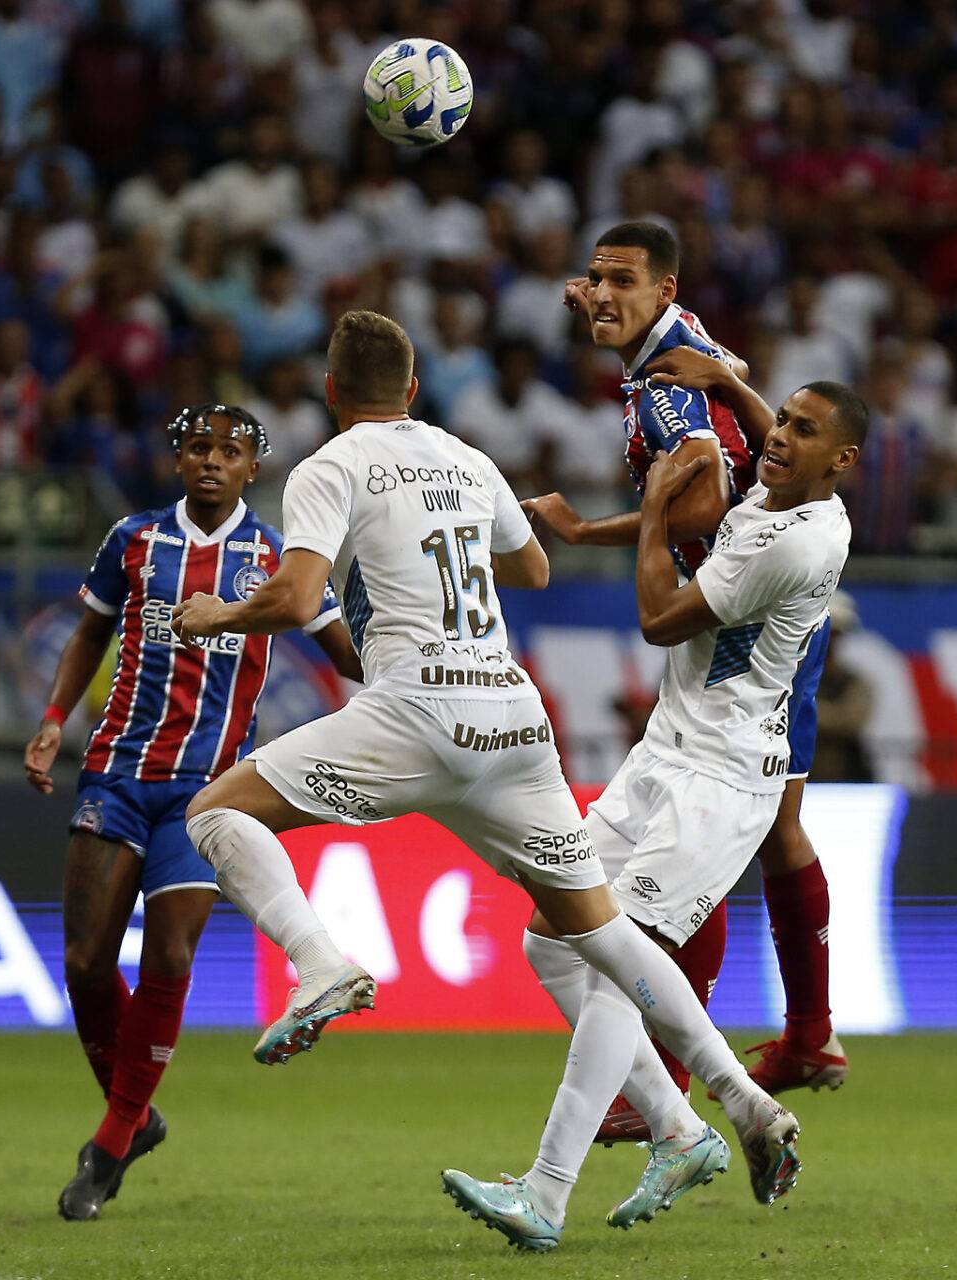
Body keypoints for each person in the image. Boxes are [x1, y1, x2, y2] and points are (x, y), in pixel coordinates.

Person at [172, 311, 803, 1247]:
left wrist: (214, 612)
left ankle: (321, 966)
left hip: (415, 714)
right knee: (599, 933)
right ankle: (723, 1114)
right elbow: (533, 568)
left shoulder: (329, 467)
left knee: (217, 812)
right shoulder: (467, 459)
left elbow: (299, 598)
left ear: (334, 394)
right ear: (416, 390)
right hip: (510, 716)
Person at [446, 380, 862, 1244]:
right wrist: (729, 386)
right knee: (549, 934)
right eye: (779, 419)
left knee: (611, 968)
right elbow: (759, 446)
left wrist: (647, 508)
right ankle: (702, 1120)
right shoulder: (778, 496)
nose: (775, 437)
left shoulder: (797, 541)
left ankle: (546, 1194)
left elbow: (659, 618)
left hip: (723, 779)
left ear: (842, 463)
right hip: (664, 756)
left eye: (802, 430)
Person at [527, 222, 848, 1131]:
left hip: (750, 613)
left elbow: (703, 501)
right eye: (594, 279)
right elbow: (724, 373)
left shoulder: (664, 397)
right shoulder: (677, 342)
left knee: (711, 832)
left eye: (620, 281)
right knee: (774, 826)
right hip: (764, 586)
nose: (599, 293)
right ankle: (808, 1033)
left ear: (663, 290)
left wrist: (646, 518)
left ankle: (679, 1066)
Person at [24, 403, 363, 1222]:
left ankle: (109, 1143)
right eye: (199, 448)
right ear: (177, 460)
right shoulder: (133, 540)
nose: (213, 461)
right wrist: (52, 719)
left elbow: (340, 644)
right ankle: (136, 1114)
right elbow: (89, 634)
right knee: (84, 962)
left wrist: (404, 683)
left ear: (256, 467)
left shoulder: (278, 556)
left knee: (171, 956)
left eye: (232, 451)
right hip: (117, 773)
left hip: (208, 793)